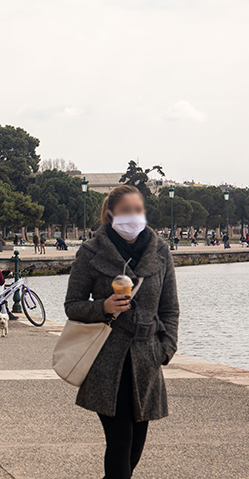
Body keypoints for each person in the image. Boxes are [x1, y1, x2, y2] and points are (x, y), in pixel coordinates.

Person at [64, 184, 180, 479]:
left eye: (138, 210)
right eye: (126, 211)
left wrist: (166, 348)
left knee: (135, 448)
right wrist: (103, 306)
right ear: (110, 214)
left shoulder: (160, 251)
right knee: (120, 442)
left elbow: (170, 307)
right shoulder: (91, 252)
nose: (134, 216)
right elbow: (72, 305)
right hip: (107, 360)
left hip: (147, 360)